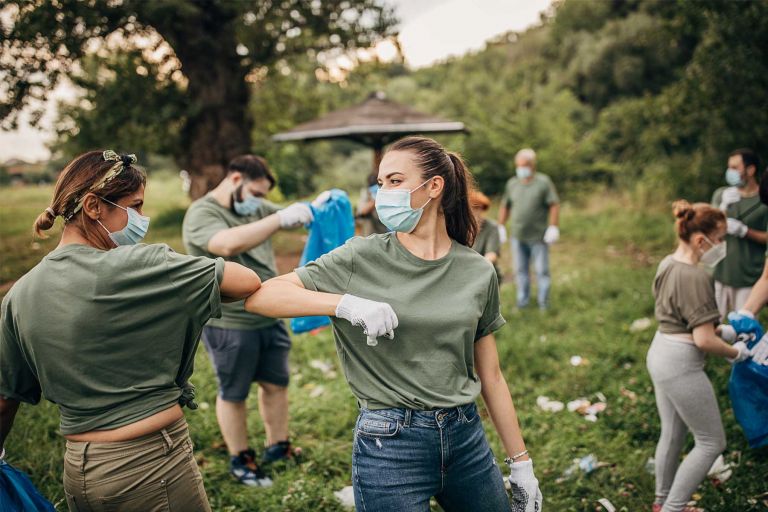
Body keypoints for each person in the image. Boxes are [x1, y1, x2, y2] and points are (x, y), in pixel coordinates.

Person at [245, 136, 542, 512]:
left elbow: (493, 376)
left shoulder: (477, 271)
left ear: (434, 187)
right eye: (381, 182)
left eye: (395, 181)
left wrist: (521, 464)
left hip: (466, 436)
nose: (383, 191)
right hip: (389, 445)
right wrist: (345, 304)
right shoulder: (361, 255)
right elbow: (261, 297)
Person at [0, 150, 261, 512]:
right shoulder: (142, 265)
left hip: (79, 470)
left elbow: (4, 401)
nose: (142, 218)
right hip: (150, 465)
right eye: (134, 207)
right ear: (93, 206)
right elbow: (246, 281)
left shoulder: (19, 295)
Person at [182, 154, 316, 487]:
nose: (260, 202)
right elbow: (226, 243)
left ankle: (277, 446)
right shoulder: (203, 212)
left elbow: (289, 214)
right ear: (236, 179)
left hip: (270, 313)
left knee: (276, 384)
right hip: (230, 322)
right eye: (256, 193)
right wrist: (280, 218)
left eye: (264, 197)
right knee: (234, 391)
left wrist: (318, 205)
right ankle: (241, 458)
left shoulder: (254, 205)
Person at [647, 200, 751, 512]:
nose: (722, 246)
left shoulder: (668, 263)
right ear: (700, 240)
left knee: (674, 431)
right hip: (681, 365)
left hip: (660, 351)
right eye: (720, 239)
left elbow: (685, 318)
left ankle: (661, 501)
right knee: (711, 442)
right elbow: (703, 339)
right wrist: (736, 352)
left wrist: (722, 331)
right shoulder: (696, 276)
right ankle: (673, 508)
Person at [497, 148, 560, 310]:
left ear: (532, 166)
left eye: (524, 165)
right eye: (518, 165)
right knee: (520, 271)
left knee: (541, 271)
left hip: (538, 236)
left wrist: (553, 226)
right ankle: (522, 302)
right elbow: (505, 206)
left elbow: (554, 204)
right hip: (518, 236)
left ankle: (543, 304)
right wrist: (501, 225)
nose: (521, 169)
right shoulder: (512, 183)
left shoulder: (543, 182)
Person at [710, 148, 768, 318]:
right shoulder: (723, 195)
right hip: (721, 273)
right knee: (713, 324)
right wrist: (722, 209)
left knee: (744, 329)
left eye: (735, 167)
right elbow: (707, 231)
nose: (730, 172)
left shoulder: (764, 198)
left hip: (749, 277)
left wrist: (745, 231)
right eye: (729, 167)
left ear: (750, 170)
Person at [469, 190, 503, 284]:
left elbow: (492, 254)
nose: (474, 211)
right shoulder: (458, 226)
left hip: (484, 272)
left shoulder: (492, 227)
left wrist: (477, 268)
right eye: (471, 207)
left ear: (483, 209)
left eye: (478, 207)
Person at [356, 171, 388, 235]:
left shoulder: (386, 192)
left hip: (383, 232)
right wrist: (375, 200)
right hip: (369, 233)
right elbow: (362, 211)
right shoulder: (366, 193)